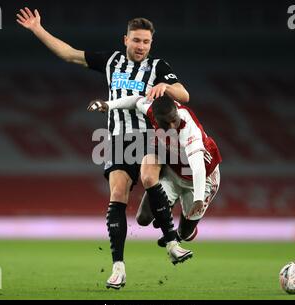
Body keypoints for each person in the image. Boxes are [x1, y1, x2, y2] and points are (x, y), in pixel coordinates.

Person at [16, 8, 190, 289]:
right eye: (136, 40)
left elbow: (184, 94)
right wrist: (37, 29)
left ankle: (172, 244)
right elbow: (69, 53)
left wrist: (164, 87)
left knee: (148, 179)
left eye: (146, 42)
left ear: (151, 44)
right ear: (125, 40)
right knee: (118, 196)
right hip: (119, 138)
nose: (141, 46)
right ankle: (118, 267)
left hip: (149, 135)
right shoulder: (110, 62)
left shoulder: (159, 67)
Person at [88, 95, 222, 251]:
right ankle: (169, 206)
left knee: (186, 233)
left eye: (174, 120)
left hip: (202, 178)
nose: (172, 127)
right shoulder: (152, 110)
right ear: (156, 119)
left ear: (177, 113)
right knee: (143, 218)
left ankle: (179, 233)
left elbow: (198, 167)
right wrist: (108, 104)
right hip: (174, 172)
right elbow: (136, 101)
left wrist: (198, 199)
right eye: (166, 123)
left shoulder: (189, 130)